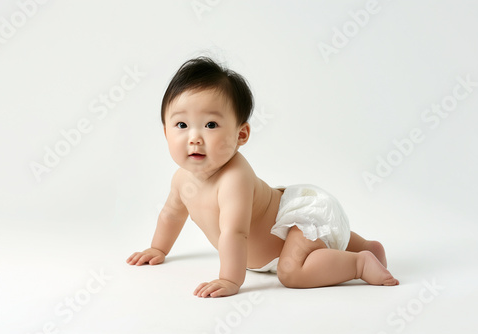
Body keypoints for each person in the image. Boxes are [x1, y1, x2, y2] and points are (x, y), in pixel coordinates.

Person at [127, 57, 399, 298]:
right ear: (166, 133)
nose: (194, 137)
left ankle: (359, 263)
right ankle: (368, 247)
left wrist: (230, 279)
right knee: (319, 242)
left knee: (291, 273)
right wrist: (158, 249)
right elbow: (171, 215)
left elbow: (235, 232)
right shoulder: (180, 179)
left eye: (211, 124)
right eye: (181, 125)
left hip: (296, 224)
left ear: (240, 135)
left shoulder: (234, 177)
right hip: (286, 233)